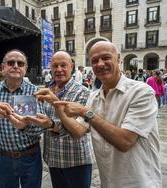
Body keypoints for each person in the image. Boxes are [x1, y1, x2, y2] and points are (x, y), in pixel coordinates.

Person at [41, 41, 162, 187]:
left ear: (118, 58)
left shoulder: (141, 92)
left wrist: (85, 112)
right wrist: (58, 106)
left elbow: (125, 142)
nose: (99, 64)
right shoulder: (94, 97)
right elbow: (78, 131)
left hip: (139, 182)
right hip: (108, 182)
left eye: (106, 58)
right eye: (94, 61)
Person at [26, 51, 94, 188]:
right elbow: (42, 119)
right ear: (50, 68)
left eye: (63, 65)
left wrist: (55, 106)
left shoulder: (83, 92)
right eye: (55, 66)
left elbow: (77, 130)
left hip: (76, 160)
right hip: (53, 158)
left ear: (71, 66)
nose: (59, 70)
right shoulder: (48, 89)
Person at [0, 49, 46, 188]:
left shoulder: (34, 92)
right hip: (1, 157)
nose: (16, 66)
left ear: (25, 69)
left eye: (20, 63)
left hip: (29, 157)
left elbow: (42, 127)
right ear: (3, 67)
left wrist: (24, 126)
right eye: (11, 62)